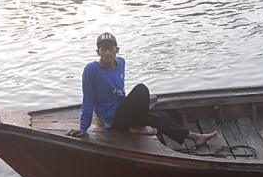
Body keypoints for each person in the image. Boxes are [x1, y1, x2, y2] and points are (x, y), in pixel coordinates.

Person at [66, 32, 217, 147]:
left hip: (121, 110)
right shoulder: (91, 70)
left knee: (159, 115)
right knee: (141, 90)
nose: (107, 53)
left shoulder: (121, 62)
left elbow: (120, 93)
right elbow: (88, 98)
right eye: (103, 49)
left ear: (117, 50)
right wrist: (83, 127)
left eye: (110, 49)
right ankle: (137, 127)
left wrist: (135, 110)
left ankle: (194, 137)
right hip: (111, 118)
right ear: (97, 52)